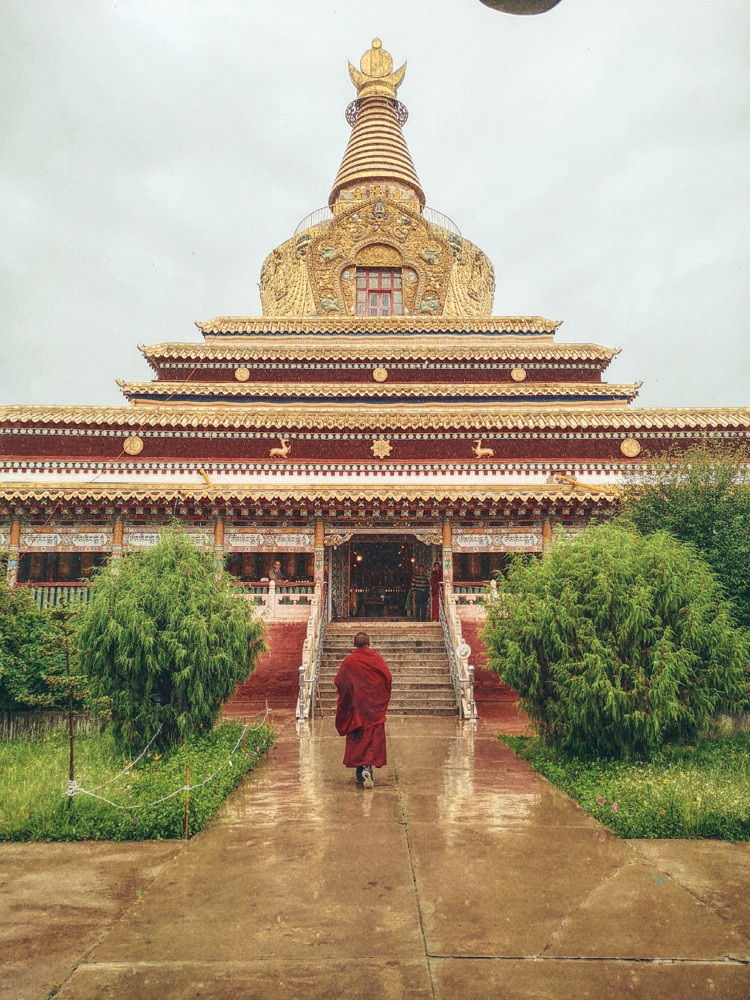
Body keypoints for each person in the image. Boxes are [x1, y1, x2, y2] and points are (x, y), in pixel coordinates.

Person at [334, 631, 392, 788]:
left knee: (359, 738)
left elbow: (340, 682)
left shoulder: (349, 661)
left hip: (356, 707)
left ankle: (361, 771)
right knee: (371, 740)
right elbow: (387, 678)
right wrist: (377, 697)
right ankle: (368, 768)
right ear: (369, 642)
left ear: (354, 644)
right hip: (373, 708)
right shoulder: (376, 659)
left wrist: (350, 697)